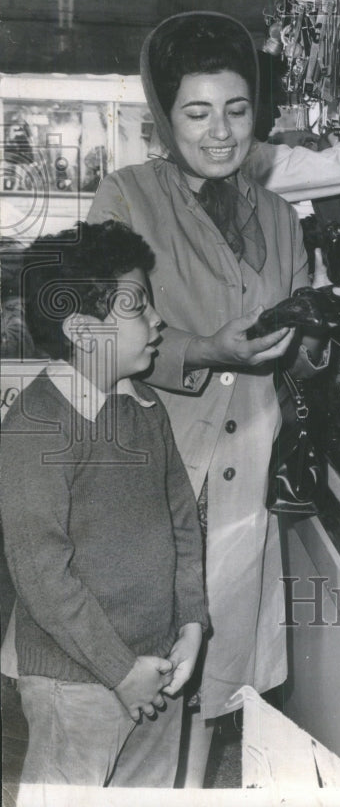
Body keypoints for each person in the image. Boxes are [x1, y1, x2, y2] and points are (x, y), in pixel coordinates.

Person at [86, 10, 340, 786]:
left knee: (210, 698)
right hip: (148, 487)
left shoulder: (279, 216)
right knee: (133, 708)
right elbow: (97, 341)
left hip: (240, 496)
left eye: (236, 111)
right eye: (196, 113)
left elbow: (297, 358)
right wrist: (207, 350)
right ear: (164, 119)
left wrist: (312, 339)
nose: (219, 133)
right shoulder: (126, 199)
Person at [0, 220, 208, 788]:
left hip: (159, 662)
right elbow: (41, 573)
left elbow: (183, 524)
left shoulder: (144, 407)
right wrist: (120, 672)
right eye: (137, 306)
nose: (157, 319)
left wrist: (192, 619)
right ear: (82, 330)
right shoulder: (35, 430)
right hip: (75, 682)